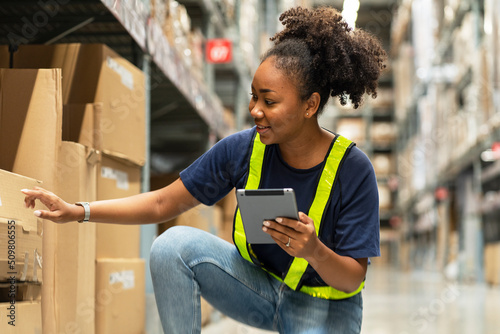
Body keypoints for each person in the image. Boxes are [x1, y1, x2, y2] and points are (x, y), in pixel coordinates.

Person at [22, 6, 386, 334]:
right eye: (253, 96)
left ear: (310, 106)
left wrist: (313, 250)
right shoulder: (243, 149)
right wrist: (78, 211)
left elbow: (351, 278)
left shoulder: (353, 170)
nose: (254, 110)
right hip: (258, 291)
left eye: (269, 101)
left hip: (326, 309)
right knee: (171, 247)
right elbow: (164, 204)